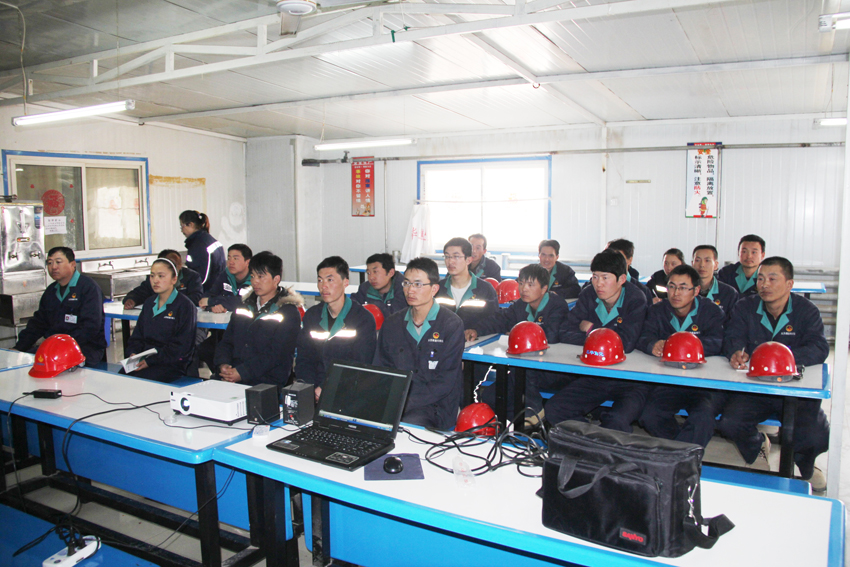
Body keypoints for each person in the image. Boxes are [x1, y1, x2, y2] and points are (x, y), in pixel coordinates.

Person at [716, 257, 829, 489]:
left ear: (789, 284)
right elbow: (733, 337)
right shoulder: (745, 307)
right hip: (756, 387)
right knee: (730, 423)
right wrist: (735, 352)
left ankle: (806, 467)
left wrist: (780, 359)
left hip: (795, 389)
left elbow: (819, 347)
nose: (764, 284)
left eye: (772, 278)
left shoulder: (806, 311)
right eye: (760, 279)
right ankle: (757, 446)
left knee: (816, 435)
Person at [546, 250, 648, 432]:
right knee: (555, 409)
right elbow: (564, 332)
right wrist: (602, 337)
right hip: (594, 375)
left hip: (630, 379)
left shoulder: (636, 299)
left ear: (622, 279)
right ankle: (592, 443)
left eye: (605, 278)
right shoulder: (588, 295)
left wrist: (591, 329)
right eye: (594, 277)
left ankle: (599, 443)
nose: (598, 284)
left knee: (616, 421)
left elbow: (626, 344)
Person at [637, 265, 726, 447]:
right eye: (671, 286)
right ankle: (683, 451)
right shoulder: (657, 310)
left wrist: (682, 346)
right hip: (669, 380)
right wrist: (652, 345)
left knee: (703, 419)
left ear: (696, 291)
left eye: (683, 288)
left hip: (703, 382)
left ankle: (680, 456)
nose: (676, 293)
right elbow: (643, 336)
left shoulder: (711, 311)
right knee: (650, 416)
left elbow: (718, 342)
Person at [465, 264, 570, 417]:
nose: (524, 289)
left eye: (530, 285)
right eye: (521, 283)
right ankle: (517, 423)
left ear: (544, 288)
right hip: (522, 370)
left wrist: (517, 333)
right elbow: (499, 320)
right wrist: (476, 330)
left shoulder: (557, 305)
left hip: (551, 370)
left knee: (520, 369)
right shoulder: (520, 305)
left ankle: (534, 413)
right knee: (490, 396)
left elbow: (551, 336)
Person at [373, 257, 465, 430]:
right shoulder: (392, 323)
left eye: (418, 284)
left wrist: (404, 404)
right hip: (397, 401)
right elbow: (381, 369)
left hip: (435, 406)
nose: (410, 290)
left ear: (434, 289)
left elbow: (445, 381)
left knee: (405, 426)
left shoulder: (451, 325)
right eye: (406, 283)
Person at [213, 252, 303, 388]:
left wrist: (242, 372)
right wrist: (224, 364)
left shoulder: (288, 312)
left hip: (267, 381)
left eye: (261, 276)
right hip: (235, 375)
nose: (255, 281)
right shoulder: (244, 305)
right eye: (253, 276)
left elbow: (276, 355)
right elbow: (227, 340)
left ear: (276, 279)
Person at [296, 256, 376, 401]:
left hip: (348, 392)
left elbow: (359, 366)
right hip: (313, 390)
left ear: (346, 282)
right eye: (320, 280)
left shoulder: (362, 319)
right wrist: (309, 389)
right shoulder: (312, 316)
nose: (323, 286)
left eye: (330, 280)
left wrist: (325, 387)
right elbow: (304, 359)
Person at [14, 247, 107, 366]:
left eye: (58, 262)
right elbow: (38, 324)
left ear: (72, 264)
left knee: (52, 366)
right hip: (54, 348)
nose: (53, 267)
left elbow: (90, 328)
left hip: (85, 348)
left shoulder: (88, 288)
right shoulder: (51, 291)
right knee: (26, 363)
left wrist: (61, 346)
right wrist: (18, 348)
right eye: (49, 263)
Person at [124, 258, 197, 383]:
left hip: (171, 364)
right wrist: (133, 353)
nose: (155, 280)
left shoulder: (185, 306)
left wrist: (150, 361)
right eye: (152, 276)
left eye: (161, 276)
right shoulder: (149, 303)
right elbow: (137, 336)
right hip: (145, 360)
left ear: (174, 279)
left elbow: (181, 347)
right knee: (121, 379)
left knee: (141, 381)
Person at [435, 237, 498, 331]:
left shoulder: (485, 289)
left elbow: (494, 321)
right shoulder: (437, 289)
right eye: (447, 256)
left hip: (476, 339)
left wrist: (476, 331)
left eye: (456, 256)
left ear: (468, 260)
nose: (450, 261)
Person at [123, 250, 203, 308]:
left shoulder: (192, 276)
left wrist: (172, 302)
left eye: (178, 263)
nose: (175, 266)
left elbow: (196, 297)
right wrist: (131, 300)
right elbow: (141, 292)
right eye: (170, 264)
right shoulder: (154, 278)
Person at [180, 210, 225, 293]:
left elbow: (201, 278)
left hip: (206, 293)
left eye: (182, 226)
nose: (182, 231)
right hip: (217, 290)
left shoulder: (199, 245)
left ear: (191, 224)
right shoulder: (210, 240)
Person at [200, 244, 253, 313]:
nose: (231, 262)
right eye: (229, 258)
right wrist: (212, 307)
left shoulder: (255, 278)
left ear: (247, 262)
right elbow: (207, 297)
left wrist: (212, 301)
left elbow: (245, 302)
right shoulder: (225, 274)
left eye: (235, 258)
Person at [691, 244, 739, 319]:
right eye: (697, 260)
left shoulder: (729, 293)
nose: (702, 265)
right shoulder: (685, 290)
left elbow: (733, 322)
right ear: (692, 264)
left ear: (716, 265)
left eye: (707, 260)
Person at [606, 239, 652, 303]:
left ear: (630, 260)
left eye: (620, 258)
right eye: (612, 258)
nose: (615, 262)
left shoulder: (643, 291)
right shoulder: (597, 286)